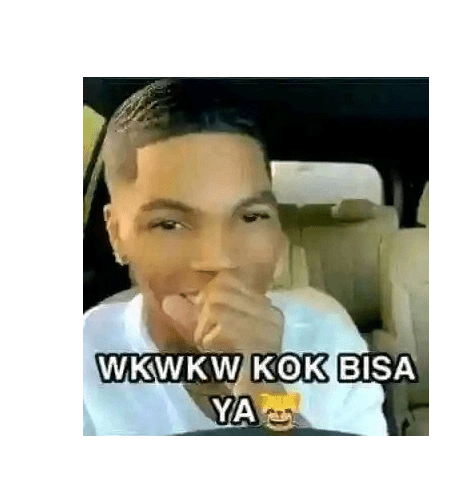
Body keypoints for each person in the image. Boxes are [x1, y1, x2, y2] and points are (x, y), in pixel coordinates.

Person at [83, 78, 388, 436]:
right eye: (169, 224)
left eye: (251, 217)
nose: (219, 259)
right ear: (116, 234)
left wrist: (264, 386)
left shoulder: (328, 339)